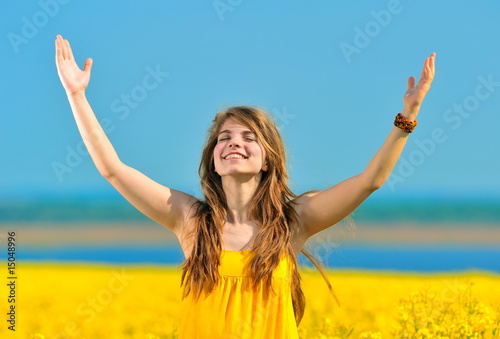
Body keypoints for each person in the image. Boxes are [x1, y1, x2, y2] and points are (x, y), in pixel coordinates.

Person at [55, 34, 436, 338]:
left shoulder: (293, 222)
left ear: (267, 159)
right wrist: (77, 96)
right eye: (224, 137)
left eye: (249, 137)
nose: (234, 142)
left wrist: (409, 115)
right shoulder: (190, 220)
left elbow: (371, 180)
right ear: (213, 160)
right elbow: (113, 170)